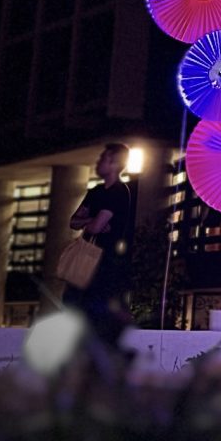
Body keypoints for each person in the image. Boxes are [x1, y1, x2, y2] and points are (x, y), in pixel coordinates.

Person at [66, 143, 138, 347]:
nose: (98, 162)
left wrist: (89, 222)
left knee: (94, 306)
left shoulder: (118, 192)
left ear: (114, 163)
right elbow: (73, 221)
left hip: (105, 261)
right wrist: (91, 220)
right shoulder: (96, 191)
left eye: (104, 158)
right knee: (74, 302)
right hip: (85, 258)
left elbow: (96, 227)